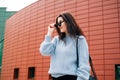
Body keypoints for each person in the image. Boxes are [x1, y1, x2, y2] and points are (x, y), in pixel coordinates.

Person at [39, 12, 90, 80]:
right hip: (54, 77)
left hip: (70, 78)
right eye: (57, 24)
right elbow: (44, 51)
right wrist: (49, 33)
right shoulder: (57, 40)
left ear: (68, 22)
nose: (59, 26)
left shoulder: (80, 40)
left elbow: (84, 64)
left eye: (60, 22)